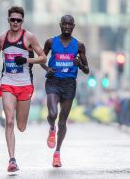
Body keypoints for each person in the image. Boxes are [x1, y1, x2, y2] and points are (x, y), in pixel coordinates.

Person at [0, 6, 46, 172]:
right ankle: (12, 160)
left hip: (25, 85)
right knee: (9, 121)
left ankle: (18, 136)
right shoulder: (1, 39)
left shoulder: (29, 37)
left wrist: (26, 61)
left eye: (18, 20)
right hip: (8, 83)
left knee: (21, 126)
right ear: (8, 20)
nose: (15, 22)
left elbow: (43, 57)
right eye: (12, 19)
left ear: (22, 21)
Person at [40, 15, 89, 167]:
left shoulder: (79, 46)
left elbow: (87, 70)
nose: (67, 26)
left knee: (62, 121)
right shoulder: (50, 42)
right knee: (52, 114)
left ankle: (57, 153)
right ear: (60, 25)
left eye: (70, 24)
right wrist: (48, 69)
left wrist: (80, 64)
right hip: (53, 82)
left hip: (69, 84)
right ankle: (51, 128)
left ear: (73, 26)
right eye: (64, 24)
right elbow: (41, 59)